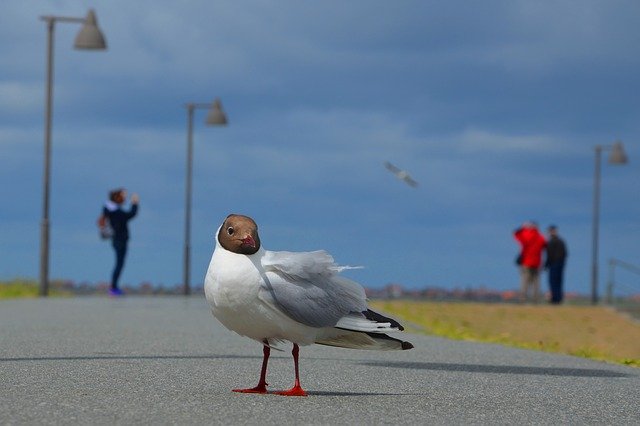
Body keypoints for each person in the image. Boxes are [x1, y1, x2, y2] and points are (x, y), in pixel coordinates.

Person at [103, 188, 139, 296]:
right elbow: (130, 215)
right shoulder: (115, 211)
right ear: (117, 197)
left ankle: (114, 287)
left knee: (119, 263)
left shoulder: (111, 209)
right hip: (119, 240)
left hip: (117, 239)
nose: (125, 198)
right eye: (123, 196)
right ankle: (113, 288)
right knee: (119, 263)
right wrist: (134, 203)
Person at [513, 221, 546, 303]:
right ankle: (536, 300)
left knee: (524, 282)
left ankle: (522, 300)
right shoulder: (540, 237)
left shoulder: (526, 235)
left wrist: (523, 227)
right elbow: (545, 246)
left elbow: (516, 234)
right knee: (536, 283)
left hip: (526, 262)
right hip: (537, 263)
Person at [545, 225, 568, 304]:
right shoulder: (561, 241)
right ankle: (558, 298)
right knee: (558, 282)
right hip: (560, 264)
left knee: (553, 282)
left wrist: (546, 264)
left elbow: (549, 255)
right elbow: (565, 254)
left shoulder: (552, 242)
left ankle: (555, 299)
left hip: (554, 264)